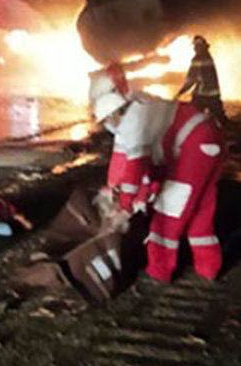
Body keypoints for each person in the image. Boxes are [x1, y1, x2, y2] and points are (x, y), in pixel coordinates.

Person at [89, 72, 226, 283]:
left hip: (193, 147)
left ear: (112, 113)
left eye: (105, 119)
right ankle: (208, 268)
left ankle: (159, 270)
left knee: (168, 212)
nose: (106, 124)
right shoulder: (142, 105)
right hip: (210, 140)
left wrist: (125, 205)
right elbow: (137, 167)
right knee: (200, 211)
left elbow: (135, 167)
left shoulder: (133, 122)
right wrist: (132, 195)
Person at [177, 35, 228, 127]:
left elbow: (191, 79)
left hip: (201, 95)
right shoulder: (208, 57)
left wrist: (181, 91)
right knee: (220, 118)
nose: (195, 48)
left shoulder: (197, 59)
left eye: (196, 46)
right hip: (214, 94)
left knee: (193, 116)